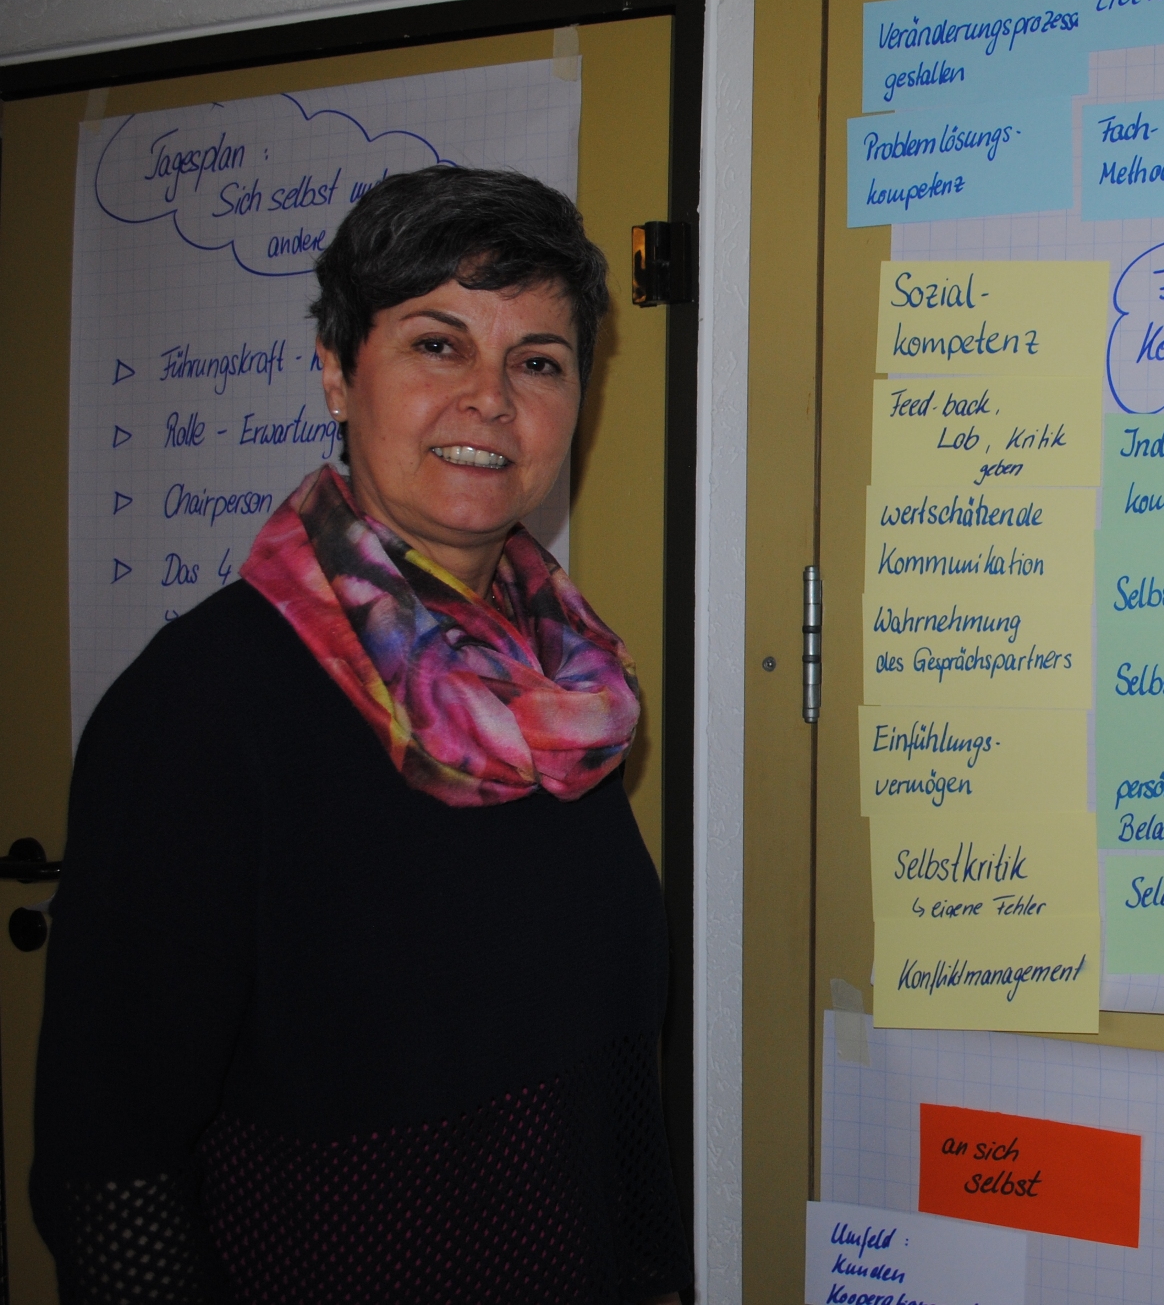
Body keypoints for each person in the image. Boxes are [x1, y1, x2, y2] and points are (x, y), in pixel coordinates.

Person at [33, 166, 691, 1304]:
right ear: (339, 372)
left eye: (537, 361)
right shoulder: (203, 706)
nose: (491, 398)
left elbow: (606, 1060)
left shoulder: (574, 696)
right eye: (438, 344)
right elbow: (110, 1160)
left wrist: (651, 1271)